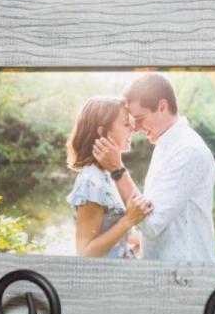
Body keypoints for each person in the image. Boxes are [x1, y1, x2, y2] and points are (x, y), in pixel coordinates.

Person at [92, 74, 215, 262]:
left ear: (162, 106)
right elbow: (152, 209)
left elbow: (152, 224)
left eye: (139, 119)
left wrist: (117, 170)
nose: (135, 128)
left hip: (183, 273)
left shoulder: (188, 151)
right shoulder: (166, 143)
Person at [63, 96, 152, 258]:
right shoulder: (91, 181)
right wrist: (128, 220)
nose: (132, 129)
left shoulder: (108, 175)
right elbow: (85, 253)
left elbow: (109, 231)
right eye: (126, 124)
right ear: (103, 133)